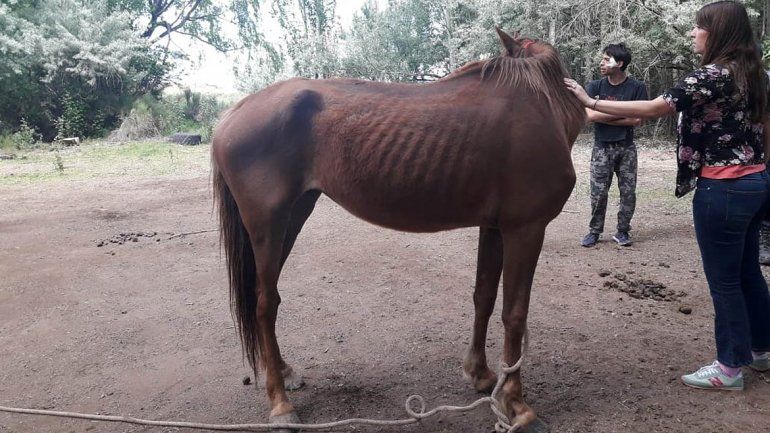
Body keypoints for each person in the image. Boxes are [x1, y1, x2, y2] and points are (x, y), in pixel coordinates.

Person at [565, 0, 770, 390]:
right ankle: (760, 350)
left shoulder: (711, 75)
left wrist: (589, 101)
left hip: (722, 188)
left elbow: (657, 107)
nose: (694, 33)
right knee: (747, 272)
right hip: (755, 182)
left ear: (716, 32)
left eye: (698, 27)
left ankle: (729, 368)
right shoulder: (758, 75)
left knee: (724, 280)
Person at [581, 44, 648, 248]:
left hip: (627, 147)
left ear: (619, 63)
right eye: (601, 59)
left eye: (606, 59)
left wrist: (605, 116)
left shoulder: (636, 88)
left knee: (628, 192)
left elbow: (637, 120)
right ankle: (594, 231)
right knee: (598, 192)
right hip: (601, 147)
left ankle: (623, 231)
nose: (601, 63)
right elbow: (590, 116)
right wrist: (625, 114)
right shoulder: (594, 87)